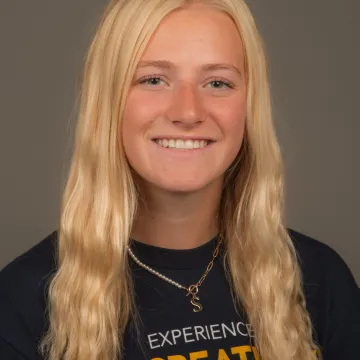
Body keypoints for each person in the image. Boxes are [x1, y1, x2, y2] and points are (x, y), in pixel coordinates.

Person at [0, 0, 359, 359]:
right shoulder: (23, 299)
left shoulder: (318, 280)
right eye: (153, 79)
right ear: (109, 101)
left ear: (249, 105)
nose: (188, 112)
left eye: (218, 82)